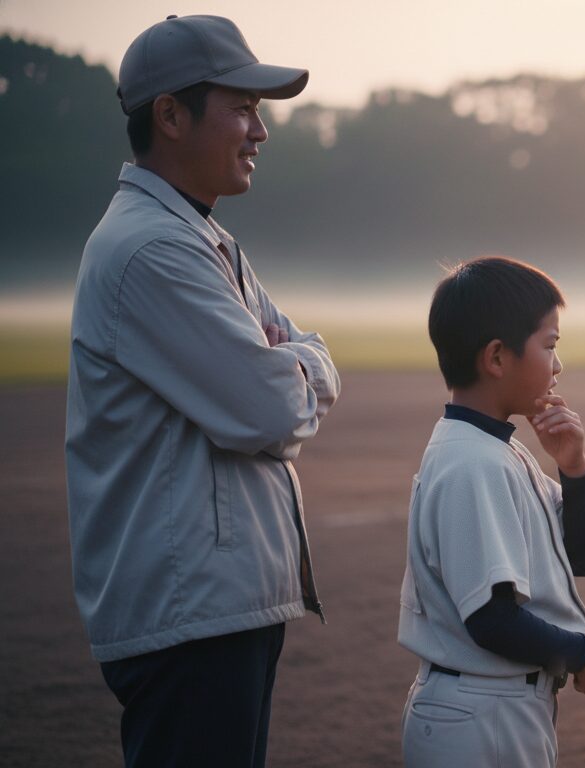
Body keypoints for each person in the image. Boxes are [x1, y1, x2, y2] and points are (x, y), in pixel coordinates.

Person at [64, 15, 338, 767]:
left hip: (216, 608)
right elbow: (271, 407)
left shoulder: (196, 235)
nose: (261, 131)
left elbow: (295, 362)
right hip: (191, 616)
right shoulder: (154, 249)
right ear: (171, 115)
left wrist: (296, 360)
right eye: (242, 108)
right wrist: (298, 366)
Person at [399, 256, 585, 768]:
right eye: (549, 346)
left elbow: (582, 557)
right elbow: (492, 620)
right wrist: (584, 654)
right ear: (497, 358)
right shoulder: (472, 463)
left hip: (494, 708)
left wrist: (574, 468)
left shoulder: (497, 450)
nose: (558, 364)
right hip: (480, 716)